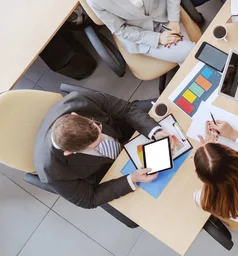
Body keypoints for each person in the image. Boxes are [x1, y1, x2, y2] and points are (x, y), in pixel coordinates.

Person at [33, 90, 171, 212]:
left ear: (75, 115)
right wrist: (132, 179)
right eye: (96, 144)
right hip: (106, 170)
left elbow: (126, 109)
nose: (103, 137)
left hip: (121, 129)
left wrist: (155, 132)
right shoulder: (52, 172)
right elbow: (89, 199)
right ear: (69, 152)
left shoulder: (81, 100)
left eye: (97, 126)